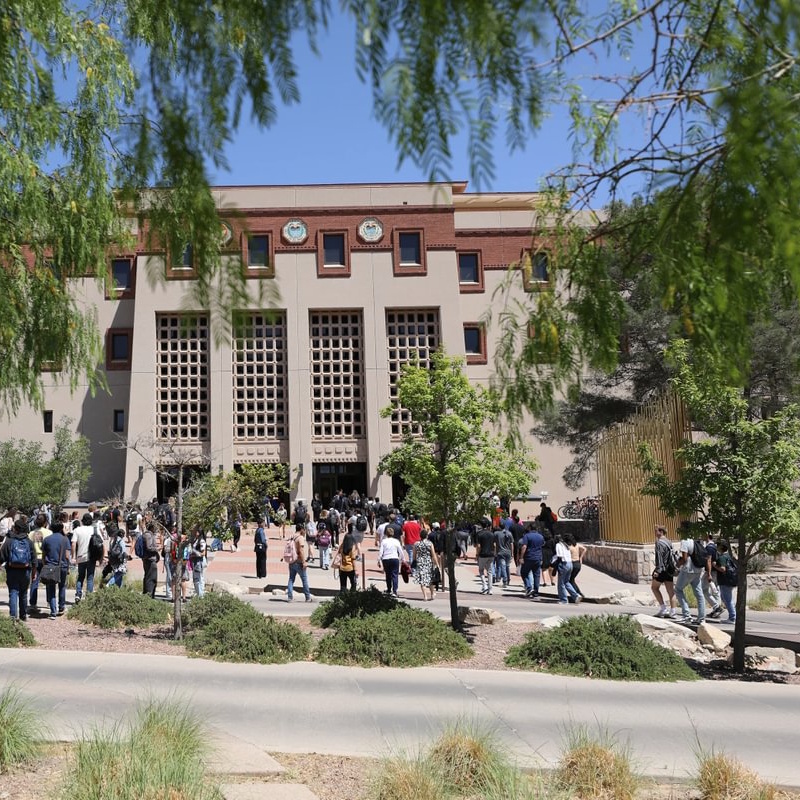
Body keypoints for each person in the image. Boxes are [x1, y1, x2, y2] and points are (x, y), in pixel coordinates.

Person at [0, 516, 36, 620]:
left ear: (15, 529)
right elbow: (34, 560)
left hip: (12, 570)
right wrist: (34, 573)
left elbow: (2, 556)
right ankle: (23, 615)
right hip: (25, 571)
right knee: (23, 593)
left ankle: (13, 616)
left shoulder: (9, 541)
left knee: (13, 592)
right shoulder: (29, 542)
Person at [675, 524, 706, 624]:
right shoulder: (696, 541)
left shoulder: (685, 541)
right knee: (699, 594)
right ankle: (701, 618)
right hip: (698, 570)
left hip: (688, 570)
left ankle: (687, 615)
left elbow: (684, 559)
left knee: (678, 589)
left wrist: (677, 565)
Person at [40, 521, 71, 618]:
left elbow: (44, 555)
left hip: (50, 566)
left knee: (51, 588)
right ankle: (61, 607)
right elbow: (67, 556)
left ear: (51, 529)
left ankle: (53, 611)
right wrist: (68, 567)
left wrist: (45, 565)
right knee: (62, 587)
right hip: (63, 566)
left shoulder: (47, 539)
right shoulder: (65, 539)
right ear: (61, 528)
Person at [651, 525, 677, 618]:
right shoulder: (669, 542)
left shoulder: (659, 543)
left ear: (661, 531)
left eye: (656, 531)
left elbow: (659, 557)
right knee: (670, 591)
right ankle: (673, 611)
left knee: (654, 588)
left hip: (661, 569)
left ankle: (663, 609)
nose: (654, 533)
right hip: (669, 569)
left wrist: (657, 570)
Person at [28, 512, 52, 614]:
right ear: (45, 522)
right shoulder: (49, 532)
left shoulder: (31, 533)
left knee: (34, 581)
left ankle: (33, 603)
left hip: (34, 559)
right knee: (48, 581)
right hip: (45, 558)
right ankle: (49, 601)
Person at [72, 512, 98, 603]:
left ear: (82, 521)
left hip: (80, 556)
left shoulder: (77, 530)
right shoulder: (95, 530)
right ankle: (89, 597)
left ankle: (78, 594)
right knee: (90, 577)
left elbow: (74, 543)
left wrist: (73, 557)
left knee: (80, 577)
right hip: (91, 557)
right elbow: (101, 543)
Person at [286, 523, 313, 602]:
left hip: (291, 561)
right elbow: (301, 550)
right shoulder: (300, 538)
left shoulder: (292, 536)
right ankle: (308, 597)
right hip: (298, 561)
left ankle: (289, 597)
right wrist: (304, 561)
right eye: (304, 530)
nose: (305, 531)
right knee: (304, 579)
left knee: (291, 579)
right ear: (301, 529)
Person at [712, 539, 737, 624]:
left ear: (721, 547)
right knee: (725, 598)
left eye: (718, 545)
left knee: (727, 599)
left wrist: (715, 565)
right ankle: (733, 615)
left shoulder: (722, 557)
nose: (717, 547)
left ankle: (732, 617)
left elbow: (723, 569)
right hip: (729, 580)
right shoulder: (728, 556)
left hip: (725, 581)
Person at [517, 524, 544, 598]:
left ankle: (529, 587)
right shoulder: (541, 536)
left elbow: (524, 546)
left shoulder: (527, 536)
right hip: (538, 557)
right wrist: (541, 558)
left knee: (524, 572)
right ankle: (536, 591)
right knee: (536, 575)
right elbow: (541, 547)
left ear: (530, 528)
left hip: (529, 557)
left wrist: (521, 557)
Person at [701, 532, 723, 619]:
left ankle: (717, 607)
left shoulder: (709, 548)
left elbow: (709, 561)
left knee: (704, 589)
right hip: (715, 572)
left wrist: (709, 574)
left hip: (710, 572)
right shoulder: (714, 547)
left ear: (707, 536)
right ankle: (717, 609)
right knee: (715, 590)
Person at [554, 535, 581, 604]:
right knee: (566, 582)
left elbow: (559, 555)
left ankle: (563, 600)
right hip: (570, 564)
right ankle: (576, 595)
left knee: (561, 583)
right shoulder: (565, 545)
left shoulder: (558, 545)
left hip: (563, 564)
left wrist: (555, 565)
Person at [378, 527, 405, 597]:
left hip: (386, 559)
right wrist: (403, 559)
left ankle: (389, 589)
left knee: (388, 575)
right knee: (395, 575)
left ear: (386, 534)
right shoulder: (396, 541)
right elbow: (400, 551)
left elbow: (381, 551)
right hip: (394, 558)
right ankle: (394, 591)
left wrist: (379, 560)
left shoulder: (384, 541)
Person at [412, 529, 436, 601]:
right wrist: (436, 563)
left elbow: (414, 555)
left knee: (422, 579)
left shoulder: (416, 544)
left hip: (420, 562)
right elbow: (433, 554)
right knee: (430, 578)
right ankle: (432, 594)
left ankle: (425, 596)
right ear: (426, 536)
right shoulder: (430, 543)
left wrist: (414, 561)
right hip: (428, 562)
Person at [475, 519, 497, 595]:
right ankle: (490, 589)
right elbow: (494, 545)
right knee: (490, 571)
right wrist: (494, 553)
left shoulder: (479, 534)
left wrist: (477, 554)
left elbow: (478, 546)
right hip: (491, 554)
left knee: (481, 570)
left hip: (482, 554)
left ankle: (484, 585)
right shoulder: (492, 534)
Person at [104, 523, 127, 588]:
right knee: (120, 573)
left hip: (113, 560)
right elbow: (123, 551)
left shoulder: (112, 540)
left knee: (119, 576)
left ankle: (118, 589)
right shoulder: (120, 541)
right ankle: (109, 584)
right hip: (120, 560)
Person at [141, 521, 160, 598]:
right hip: (150, 560)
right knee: (151, 578)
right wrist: (157, 549)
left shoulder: (147, 535)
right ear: (152, 527)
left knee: (148, 577)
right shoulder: (148, 535)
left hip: (148, 559)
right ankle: (149, 596)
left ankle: (147, 594)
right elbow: (149, 547)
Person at [567, 534, 586, 599]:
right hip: (578, 564)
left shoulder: (569, 547)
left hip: (573, 564)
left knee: (570, 580)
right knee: (572, 580)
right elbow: (584, 549)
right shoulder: (577, 545)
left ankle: (577, 594)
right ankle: (578, 592)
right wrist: (581, 557)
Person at [494, 524, 513, 588]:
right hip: (508, 552)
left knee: (503, 567)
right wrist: (512, 553)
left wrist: (495, 552)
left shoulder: (497, 534)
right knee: (507, 566)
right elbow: (511, 544)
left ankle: (505, 581)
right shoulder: (509, 533)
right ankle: (508, 579)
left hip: (501, 552)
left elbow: (494, 544)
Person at [190, 529, 207, 598]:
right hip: (195, 561)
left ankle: (200, 594)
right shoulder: (195, 540)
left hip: (199, 561)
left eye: (196, 531)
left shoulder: (201, 541)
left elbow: (203, 553)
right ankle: (199, 593)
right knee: (199, 578)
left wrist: (193, 555)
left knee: (198, 578)